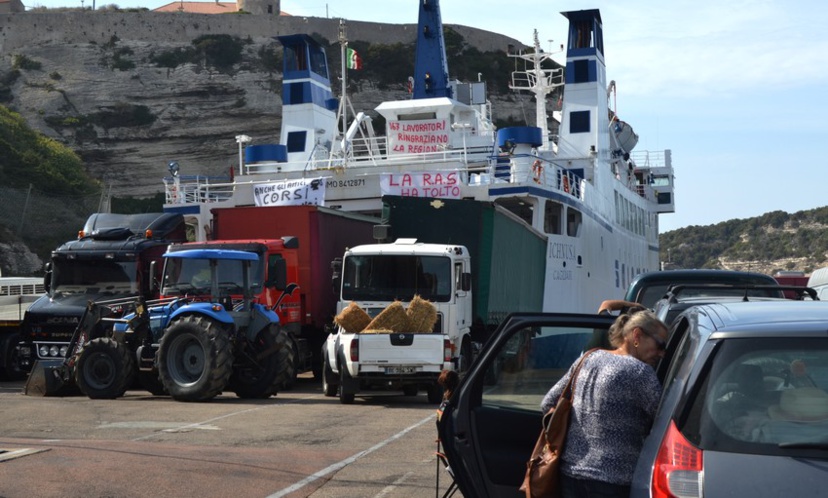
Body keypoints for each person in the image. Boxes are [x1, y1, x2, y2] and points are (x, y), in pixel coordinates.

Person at [540, 310, 668, 498]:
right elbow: (665, 421)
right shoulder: (640, 372)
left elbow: (548, 403)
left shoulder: (588, 358)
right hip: (612, 481)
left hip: (571, 474)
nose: (662, 354)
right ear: (637, 335)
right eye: (660, 345)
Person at [583, 299, 648, 351]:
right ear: (636, 332)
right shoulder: (626, 350)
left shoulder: (605, 323)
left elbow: (606, 304)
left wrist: (635, 305)